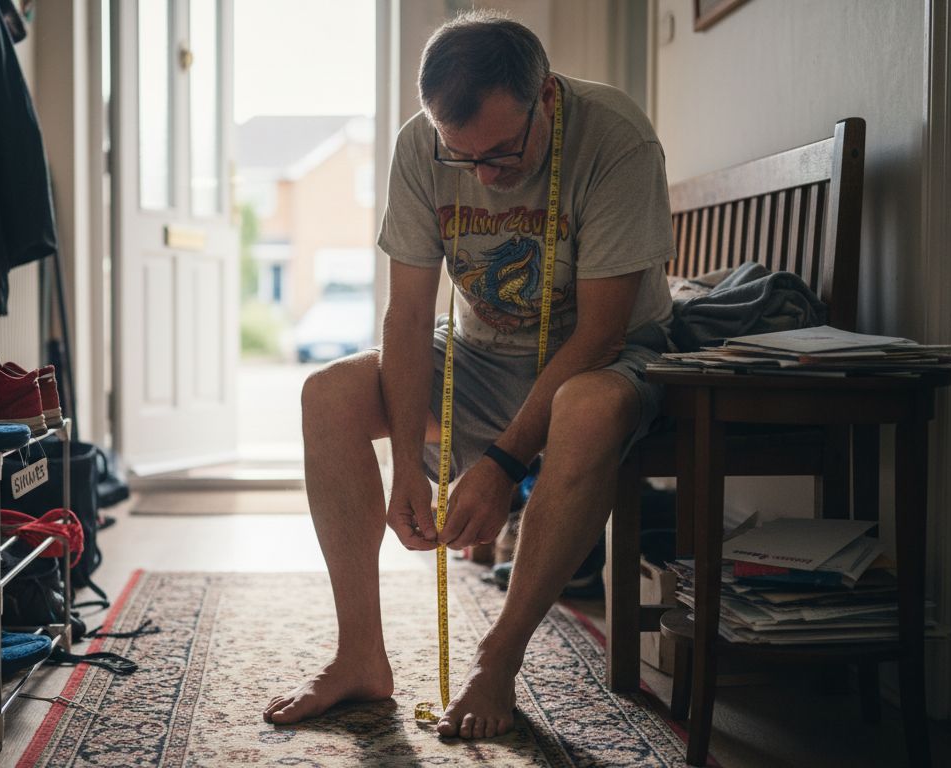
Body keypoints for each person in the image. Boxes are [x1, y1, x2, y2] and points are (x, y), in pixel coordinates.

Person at [263, 10, 675, 740]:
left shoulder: (616, 138)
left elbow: (602, 330)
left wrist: (502, 465)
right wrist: (404, 474)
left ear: (545, 97)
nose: (484, 175)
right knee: (327, 393)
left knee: (583, 407)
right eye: (464, 158)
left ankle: (497, 660)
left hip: (603, 357)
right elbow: (409, 316)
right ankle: (359, 654)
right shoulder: (420, 147)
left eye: (502, 152)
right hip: (480, 355)